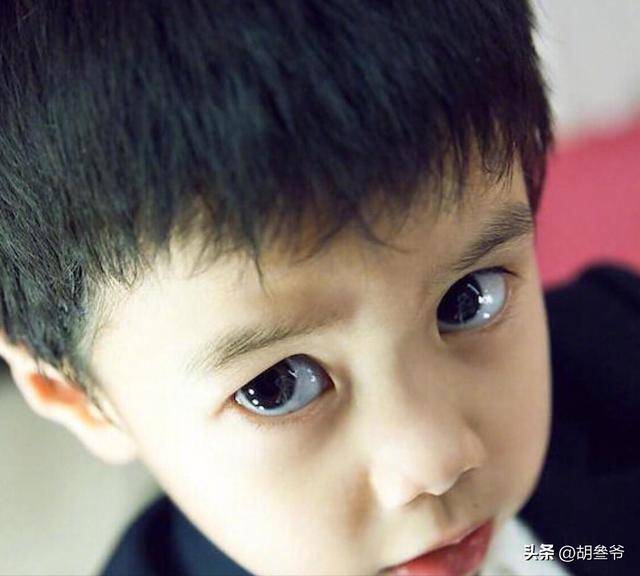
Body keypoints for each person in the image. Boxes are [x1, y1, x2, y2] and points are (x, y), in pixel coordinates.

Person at [0, 1, 636, 575]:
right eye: (276, 386)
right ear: (81, 399)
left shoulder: (618, 348)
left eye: (468, 299)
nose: (434, 462)